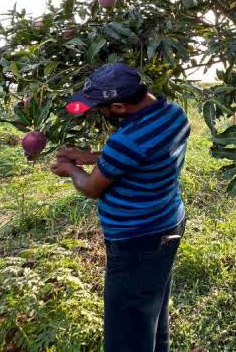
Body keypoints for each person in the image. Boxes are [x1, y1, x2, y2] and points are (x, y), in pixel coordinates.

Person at [48, 62, 191, 352]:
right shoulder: (173, 113)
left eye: (100, 107)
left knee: (126, 333)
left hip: (137, 240)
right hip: (169, 222)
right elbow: (141, 155)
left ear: (119, 107)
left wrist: (71, 170)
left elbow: (91, 188)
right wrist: (87, 156)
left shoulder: (125, 140)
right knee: (150, 311)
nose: (98, 112)